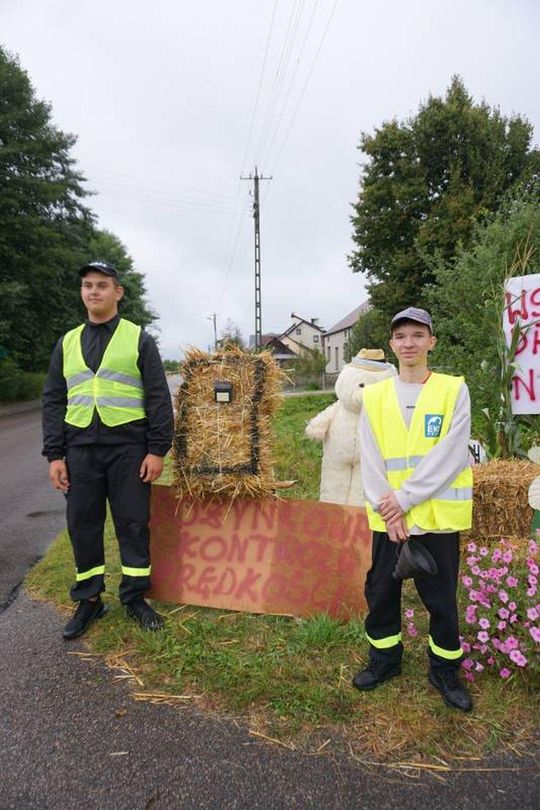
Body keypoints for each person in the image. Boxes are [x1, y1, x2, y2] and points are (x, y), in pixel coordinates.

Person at [42, 260, 174, 639]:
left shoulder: (138, 338)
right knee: (82, 525)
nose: (93, 291)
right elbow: (53, 401)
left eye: (102, 285)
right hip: (80, 449)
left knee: (133, 524)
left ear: (118, 292)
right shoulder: (66, 343)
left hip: (129, 450)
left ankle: (134, 597)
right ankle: (89, 600)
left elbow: (158, 397)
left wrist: (157, 449)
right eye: (87, 285)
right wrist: (55, 455)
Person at [353, 307, 473, 712]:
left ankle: (444, 669)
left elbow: (452, 456)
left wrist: (404, 500)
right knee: (382, 591)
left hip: (435, 518)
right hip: (389, 519)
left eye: (417, 335)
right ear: (392, 345)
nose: (409, 343)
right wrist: (391, 510)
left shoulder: (453, 390)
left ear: (431, 342)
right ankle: (384, 660)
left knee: (440, 599)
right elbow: (371, 458)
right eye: (401, 336)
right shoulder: (374, 396)